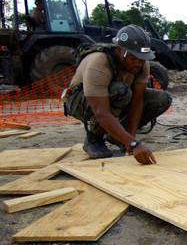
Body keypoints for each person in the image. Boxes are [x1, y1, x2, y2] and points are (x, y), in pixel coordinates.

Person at [63, 25, 172, 164]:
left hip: (114, 97)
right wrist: (135, 145)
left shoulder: (142, 64)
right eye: (133, 58)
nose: (138, 63)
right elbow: (101, 111)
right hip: (79, 101)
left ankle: (118, 136)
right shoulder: (99, 62)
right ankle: (94, 139)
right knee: (121, 91)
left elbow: (137, 102)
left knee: (162, 98)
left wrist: (130, 140)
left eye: (142, 58)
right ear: (120, 50)